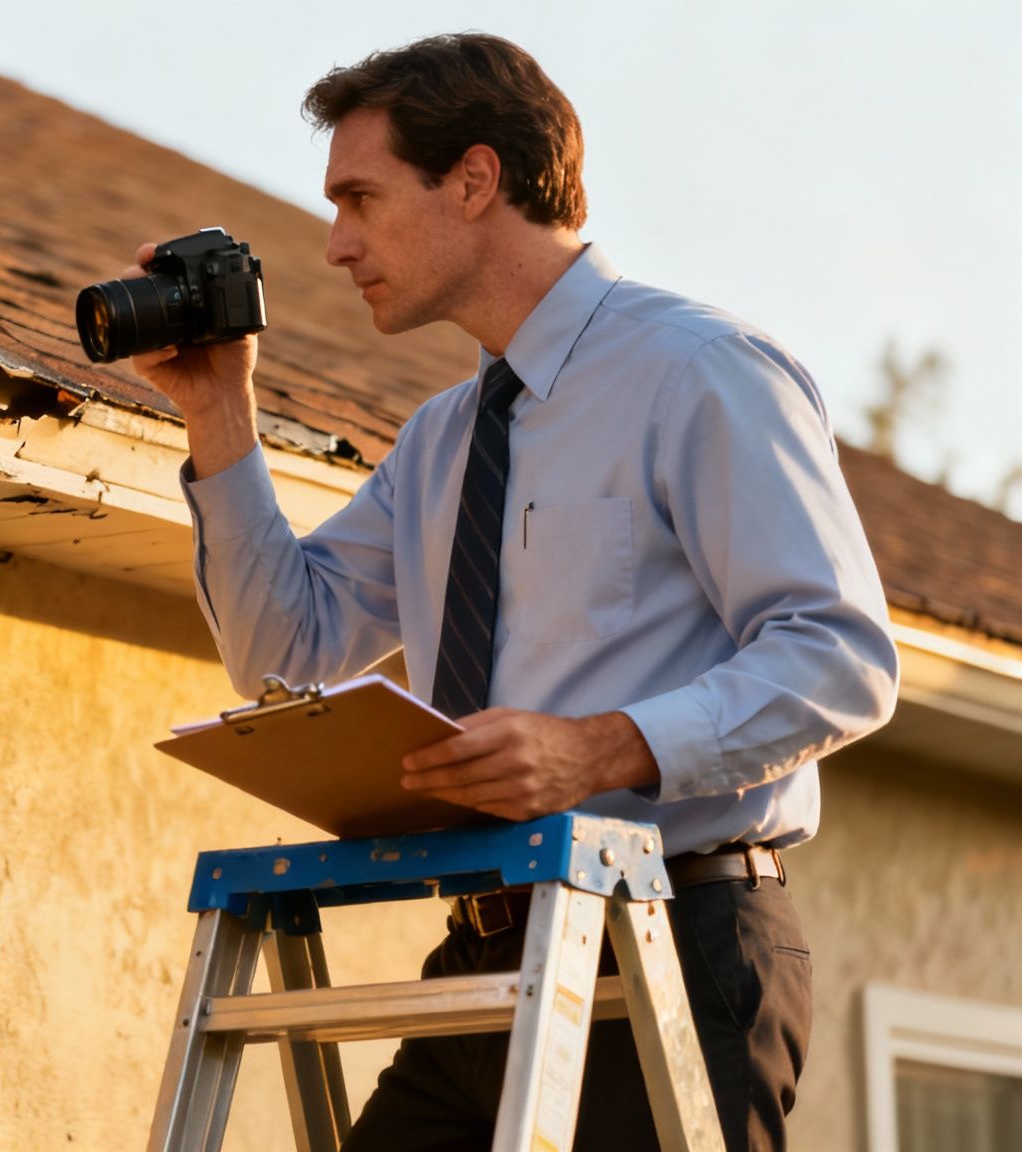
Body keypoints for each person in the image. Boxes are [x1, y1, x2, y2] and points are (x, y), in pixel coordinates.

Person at [121, 32, 899, 1152]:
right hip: (487, 954)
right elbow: (286, 651)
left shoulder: (700, 372)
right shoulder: (440, 442)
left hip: (672, 941)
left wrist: (602, 749)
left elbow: (840, 655)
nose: (335, 245)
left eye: (359, 198)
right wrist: (217, 412)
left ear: (474, 180)